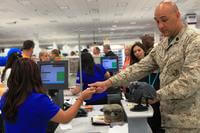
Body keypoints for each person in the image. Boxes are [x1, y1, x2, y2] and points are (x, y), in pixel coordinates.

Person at [89, 1, 200, 133]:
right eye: (157, 21)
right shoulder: (163, 44)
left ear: (177, 15)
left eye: (164, 20)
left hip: (189, 122)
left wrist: (155, 95)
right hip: (167, 119)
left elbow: (189, 82)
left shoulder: (194, 41)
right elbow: (139, 67)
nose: (160, 26)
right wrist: (108, 82)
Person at [0, 58, 95, 133]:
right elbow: (65, 118)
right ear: (35, 75)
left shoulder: (5, 98)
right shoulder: (38, 100)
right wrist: (81, 98)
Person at [130, 42, 162, 133]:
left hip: (157, 96)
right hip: (144, 98)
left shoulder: (154, 65)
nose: (137, 53)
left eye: (139, 50)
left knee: (156, 121)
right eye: (135, 51)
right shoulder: (136, 66)